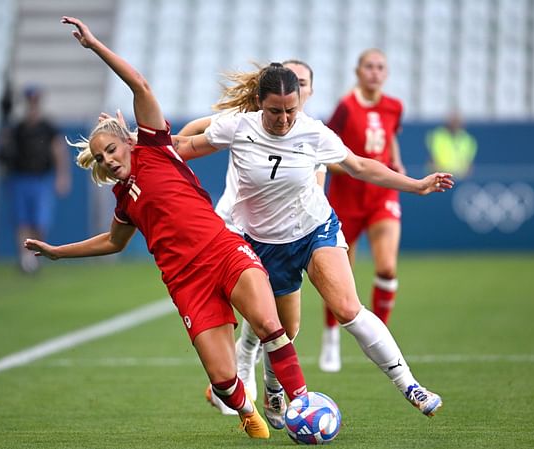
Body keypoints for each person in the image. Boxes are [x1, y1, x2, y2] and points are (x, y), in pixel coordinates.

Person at [24, 16, 310, 440]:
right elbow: (113, 242)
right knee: (222, 378)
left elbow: (140, 85)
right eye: (101, 158)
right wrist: (57, 252)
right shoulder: (124, 201)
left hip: (223, 250)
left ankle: (303, 403)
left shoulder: (156, 147)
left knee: (272, 327)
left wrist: (94, 45)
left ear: (127, 139)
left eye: (111, 149)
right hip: (185, 280)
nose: (108, 160)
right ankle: (245, 408)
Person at [173, 62, 453, 427]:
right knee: (284, 332)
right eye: (275, 111)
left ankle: (410, 385)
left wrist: (415, 184)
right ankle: (273, 388)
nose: (284, 119)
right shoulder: (237, 127)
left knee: (347, 309)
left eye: (291, 110)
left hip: (314, 230)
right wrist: (135, 143)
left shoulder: (312, 132)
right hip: (264, 245)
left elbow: (360, 166)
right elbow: (185, 145)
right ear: (260, 103)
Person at [177, 61, 324, 419]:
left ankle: (255, 376)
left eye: (302, 84)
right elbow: (196, 132)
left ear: (307, 91)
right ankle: (238, 382)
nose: (296, 92)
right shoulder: (247, 121)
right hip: (234, 227)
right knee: (255, 313)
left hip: (283, 234)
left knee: (284, 325)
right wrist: (165, 145)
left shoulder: (311, 135)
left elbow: (315, 189)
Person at [322, 48, 406, 374]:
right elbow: (328, 151)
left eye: (380, 67)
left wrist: (393, 161)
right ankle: (331, 337)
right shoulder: (345, 108)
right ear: (358, 71)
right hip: (347, 198)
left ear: (386, 73)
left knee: (386, 267)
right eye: (368, 67)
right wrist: (358, 168)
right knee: (340, 277)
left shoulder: (394, 106)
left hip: (381, 195)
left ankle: (378, 337)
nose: (374, 72)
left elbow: (390, 138)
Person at [0, 83, 71, 273]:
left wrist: (62, 176)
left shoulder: (47, 127)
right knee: (22, 221)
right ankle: (26, 258)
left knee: (39, 220)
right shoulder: (18, 128)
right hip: (21, 178)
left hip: (41, 179)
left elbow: (58, 150)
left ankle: (37, 255)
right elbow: (5, 152)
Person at [426, 111, 477, 179]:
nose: (455, 123)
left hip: (461, 179)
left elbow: (469, 164)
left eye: (457, 121)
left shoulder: (468, 139)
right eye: (453, 120)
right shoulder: (436, 136)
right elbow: (431, 161)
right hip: (441, 179)